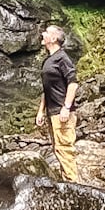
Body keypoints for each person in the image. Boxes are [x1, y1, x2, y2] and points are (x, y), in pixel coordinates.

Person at [34, 23, 80, 182]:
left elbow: (73, 83)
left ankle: (74, 186)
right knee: (58, 149)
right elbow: (46, 89)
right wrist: (41, 111)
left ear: (53, 38)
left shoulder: (62, 58)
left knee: (65, 149)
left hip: (62, 112)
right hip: (52, 112)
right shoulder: (48, 60)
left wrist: (66, 108)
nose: (43, 34)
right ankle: (67, 183)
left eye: (46, 32)